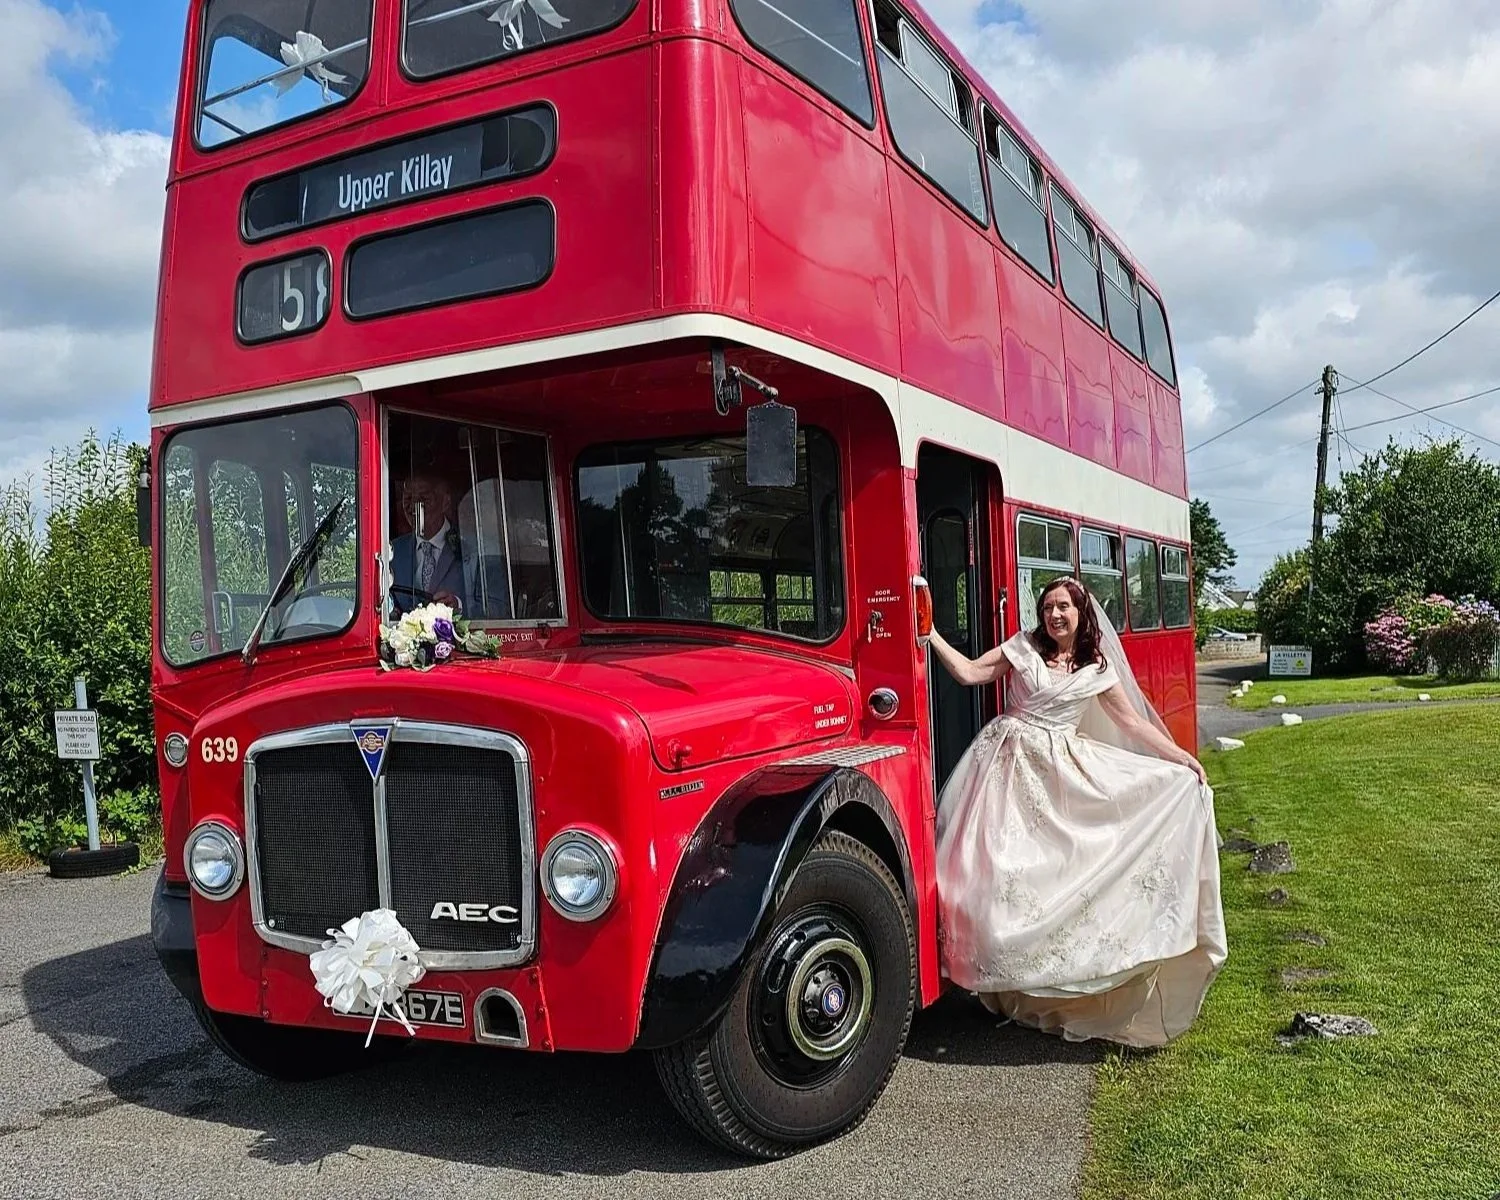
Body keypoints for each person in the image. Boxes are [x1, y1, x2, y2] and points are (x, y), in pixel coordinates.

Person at [925, 576, 1227, 1047]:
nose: (1054, 615)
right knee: (995, 872)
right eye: (1048, 607)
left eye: (1063, 607)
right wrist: (930, 634)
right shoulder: (1022, 647)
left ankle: (1047, 976)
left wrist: (1180, 757)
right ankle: (986, 970)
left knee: (1058, 872)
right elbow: (969, 673)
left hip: (1059, 774)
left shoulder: (1097, 667)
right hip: (1006, 768)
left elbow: (1131, 722)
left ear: (1081, 613)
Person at [389, 464, 468, 615]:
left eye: (423, 498)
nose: (414, 506)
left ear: (445, 502)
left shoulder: (470, 548)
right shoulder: (393, 551)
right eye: (408, 498)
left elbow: (497, 607)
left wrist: (458, 606)